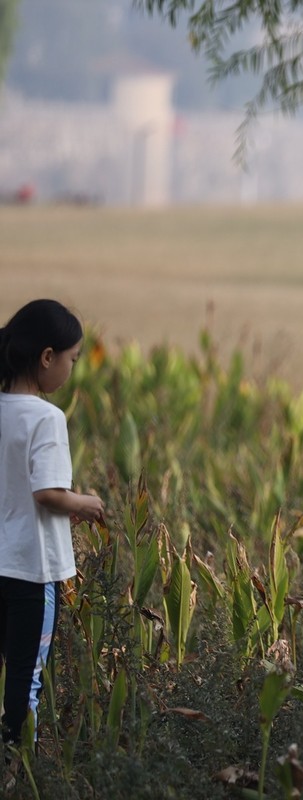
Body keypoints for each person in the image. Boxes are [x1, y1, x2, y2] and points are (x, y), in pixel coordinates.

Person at [0, 299, 104, 751]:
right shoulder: (46, 417)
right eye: (72, 359)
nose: (71, 369)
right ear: (47, 357)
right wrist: (87, 503)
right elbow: (47, 493)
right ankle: (19, 771)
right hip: (31, 570)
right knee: (25, 682)